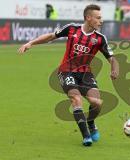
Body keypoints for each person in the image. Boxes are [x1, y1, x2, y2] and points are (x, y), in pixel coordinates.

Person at [18, 4, 119, 147]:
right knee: (76, 99)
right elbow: (50, 36)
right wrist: (31, 43)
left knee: (97, 103)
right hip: (66, 71)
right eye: (98, 18)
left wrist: (114, 69)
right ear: (88, 18)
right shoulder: (72, 29)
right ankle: (86, 137)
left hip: (85, 74)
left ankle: (90, 123)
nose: (101, 21)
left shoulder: (100, 38)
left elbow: (112, 58)